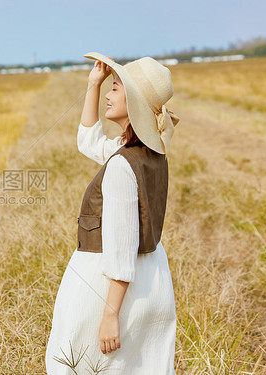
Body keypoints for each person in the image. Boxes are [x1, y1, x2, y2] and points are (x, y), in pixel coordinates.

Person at [45, 52, 180, 374]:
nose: (109, 93)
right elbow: (89, 143)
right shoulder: (148, 152)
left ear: (132, 103)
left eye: (116, 88)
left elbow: (120, 250)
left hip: (112, 286)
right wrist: (94, 84)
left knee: (78, 363)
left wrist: (109, 316)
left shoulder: (122, 164)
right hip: (152, 280)